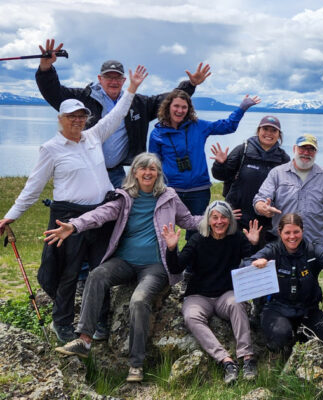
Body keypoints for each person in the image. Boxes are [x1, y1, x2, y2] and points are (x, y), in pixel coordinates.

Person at [0, 66, 147, 343]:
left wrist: (131, 89)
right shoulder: (50, 149)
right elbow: (33, 187)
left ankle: (99, 321)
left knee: (99, 270)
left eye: (82, 116)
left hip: (100, 215)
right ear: (61, 119)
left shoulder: (93, 136)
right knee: (68, 273)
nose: (78, 121)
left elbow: (116, 116)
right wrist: (11, 215)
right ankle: (63, 322)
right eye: (72, 117)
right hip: (67, 217)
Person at [45, 152, 203, 382]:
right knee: (97, 275)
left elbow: (188, 221)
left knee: (139, 301)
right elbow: (99, 214)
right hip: (125, 262)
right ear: (135, 172)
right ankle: (85, 339)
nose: (148, 172)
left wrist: (218, 219)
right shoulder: (125, 197)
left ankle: (136, 364)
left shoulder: (169, 196)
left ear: (158, 173)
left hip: (156, 266)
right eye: (143, 168)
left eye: (153, 169)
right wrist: (74, 225)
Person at [36, 38, 210, 187]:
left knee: (120, 212)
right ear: (99, 79)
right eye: (108, 77)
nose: (113, 81)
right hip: (84, 168)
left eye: (117, 77)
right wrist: (46, 69)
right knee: (84, 211)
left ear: (124, 80)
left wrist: (190, 85)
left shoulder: (137, 103)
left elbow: (168, 101)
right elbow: (54, 93)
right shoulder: (82, 98)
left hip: (115, 171)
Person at [161, 201, 260, 384]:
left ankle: (247, 358)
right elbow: (176, 268)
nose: (219, 221)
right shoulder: (197, 240)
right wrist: (172, 249)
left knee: (237, 305)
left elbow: (251, 261)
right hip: (198, 295)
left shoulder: (237, 238)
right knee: (191, 316)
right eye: (215, 217)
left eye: (223, 217)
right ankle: (226, 361)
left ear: (230, 220)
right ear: (208, 220)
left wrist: (254, 245)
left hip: (225, 294)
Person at [149, 91, 260, 238]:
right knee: (165, 232)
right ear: (168, 107)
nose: (180, 111)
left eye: (184, 107)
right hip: (171, 190)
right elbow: (153, 165)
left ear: (189, 109)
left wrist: (241, 109)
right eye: (176, 106)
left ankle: (193, 261)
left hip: (198, 190)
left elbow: (227, 126)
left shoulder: (198, 126)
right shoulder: (157, 133)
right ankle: (169, 260)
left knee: (197, 234)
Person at [250, 213, 323, 354]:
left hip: (308, 310)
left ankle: (302, 336)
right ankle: (286, 343)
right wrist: (255, 263)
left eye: (296, 232)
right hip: (277, 309)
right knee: (280, 338)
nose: (292, 237)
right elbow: (247, 266)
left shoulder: (312, 251)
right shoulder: (272, 251)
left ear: (302, 231)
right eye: (287, 233)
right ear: (280, 233)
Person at [211, 115, 290, 243]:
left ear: (279, 135)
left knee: (260, 259)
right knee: (234, 257)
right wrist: (220, 164)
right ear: (258, 131)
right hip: (237, 217)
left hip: (266, 220)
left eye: (273, 130)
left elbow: (285, 190)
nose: (269, 133)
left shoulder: (283, 159)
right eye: (265, 129)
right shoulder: (243, 150)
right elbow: (221, 175)